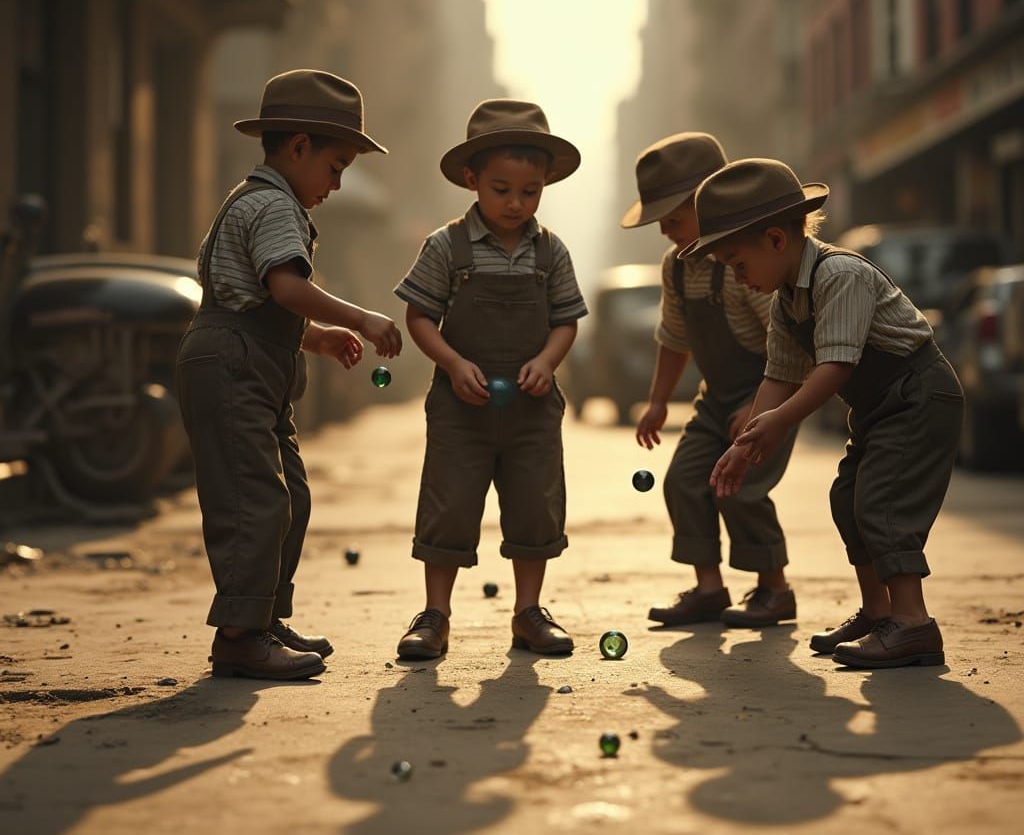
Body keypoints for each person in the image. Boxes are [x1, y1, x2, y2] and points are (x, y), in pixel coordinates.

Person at [684, 158, 964, 668]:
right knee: (848, 497)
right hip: (880, 408)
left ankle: (913, 622)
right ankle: (878, 613)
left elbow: (834, 367)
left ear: (775, 240)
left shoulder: (841, 275)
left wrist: (781, 420)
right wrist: (748, 440)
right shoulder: (787, 301)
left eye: (739, 264)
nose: (739, 278)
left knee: (883, 502)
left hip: (918, 397)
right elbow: (779, 375)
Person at [176, 69, 402, 680]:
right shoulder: (273, 203)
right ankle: (239, 636)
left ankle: (265, 615)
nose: (337, 182)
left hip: (254, 361)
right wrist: (359, 316)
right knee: (256, 499)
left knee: (289, 496)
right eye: (335, 166)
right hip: (231, 362)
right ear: (298, 147)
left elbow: (264, 296)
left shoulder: (259, 200)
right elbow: (284, 285)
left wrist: (318, 336)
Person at [393, 99, 587, 660]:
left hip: (532, 408)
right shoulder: (445, 246)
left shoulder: (551, 252)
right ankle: (435, 616)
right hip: (461, 406)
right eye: (501, 189)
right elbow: (419, 317)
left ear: (546, 184)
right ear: (472, 180)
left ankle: (528, 612)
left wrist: (548, 361)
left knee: (535, 505)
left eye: (529, 192)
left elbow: (565, 321)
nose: (515, 203)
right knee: (448, 504)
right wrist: (453, 363)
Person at [623, 134, 797, 628]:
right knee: (683, 479)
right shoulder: (676, 268)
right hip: (717, 397)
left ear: (709, 201)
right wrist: (657, 401)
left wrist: (761, 407)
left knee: (740, 488)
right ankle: (709, 588)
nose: (665, 231)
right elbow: (674, 337)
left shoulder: (745, 261)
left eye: (673, 219)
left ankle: (774, 589)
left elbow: (786, 343)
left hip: (774, 387)